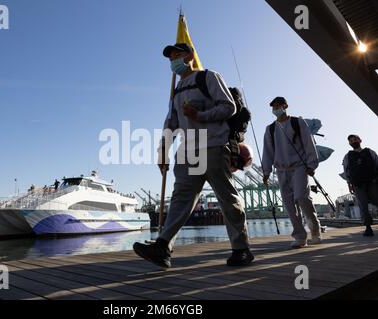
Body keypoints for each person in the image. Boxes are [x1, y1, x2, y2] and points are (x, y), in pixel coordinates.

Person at [133, 43, 253, 269]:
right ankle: (163, 248)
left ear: (189, 56)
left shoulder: (208, 77)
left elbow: (229, 107)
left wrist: (200, 114)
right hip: (187, 153)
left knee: (227, 199)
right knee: (180, 200)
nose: (173, 61)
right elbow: (171, 123)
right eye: (170, 58)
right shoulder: (176, 91)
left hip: (214, 147)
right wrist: (162, 151)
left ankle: (241, 248)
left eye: (177, 55)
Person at [263, 97, 322, 248]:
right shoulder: (270, 129)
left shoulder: (298, 122)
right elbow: (268, 151)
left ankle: (315, 230)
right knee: (289, 204)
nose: (276, 109)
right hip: (281, 170)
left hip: (299, 167)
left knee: (302, 197)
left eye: (278, 105)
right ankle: (300, 237)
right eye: (273, 107)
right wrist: (266, 171)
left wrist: (311, 164)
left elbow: (308, 143)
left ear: (285, 106)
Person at [342, 134, 378, 236]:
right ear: (349, 143)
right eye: (351, 141)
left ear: (360, 140)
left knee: (377, 200)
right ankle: (368, 227)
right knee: (363, 206)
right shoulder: (347, 156)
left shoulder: (370, 152)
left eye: (355, 139)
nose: (353, 142)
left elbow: (377, 164)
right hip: (357, 184)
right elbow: (346, 171)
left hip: (372, 182)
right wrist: (349, 184)